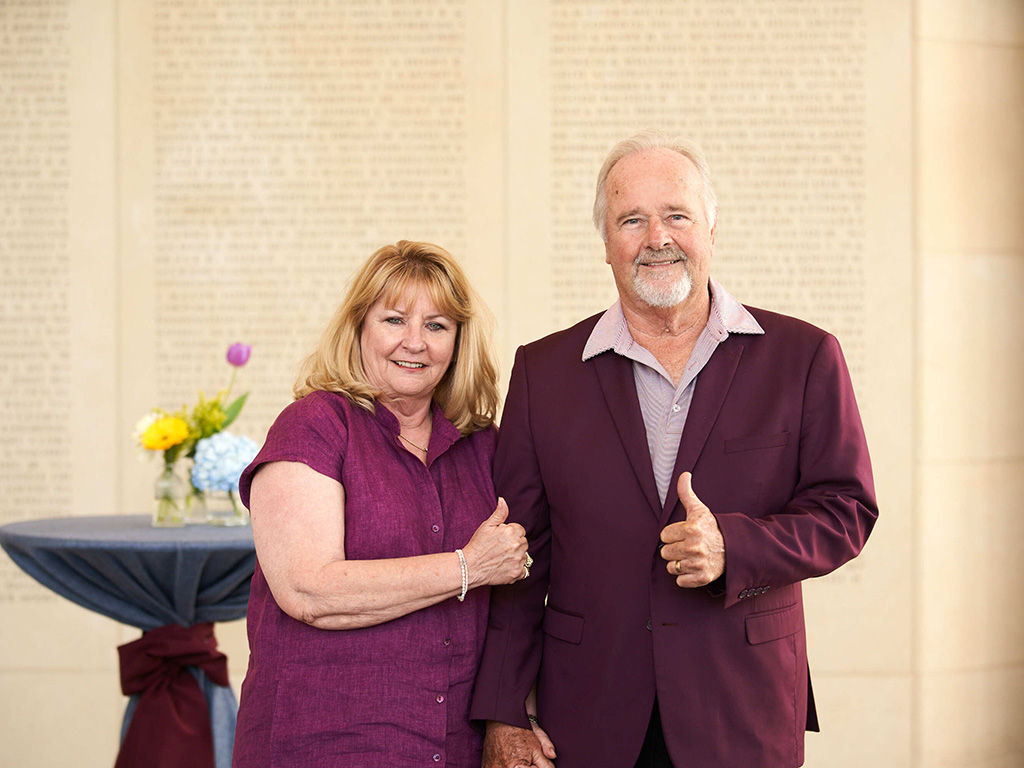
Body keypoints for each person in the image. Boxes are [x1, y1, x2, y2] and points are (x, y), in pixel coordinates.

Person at [470, 132, 878, 768]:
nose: (656, 237)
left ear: (711, 227)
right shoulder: (543, 372)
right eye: (632, 219)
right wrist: (500, 709)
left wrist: (734, 547)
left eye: (677, 215)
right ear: (606, 242)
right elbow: (519, 555)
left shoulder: (804, 357)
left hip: (742, 707)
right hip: (586, 715)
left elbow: (846, 510)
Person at [231, 241, 545, 767]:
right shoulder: (315, 425)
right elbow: (307, 589)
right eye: (395, 320)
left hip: (454, 748)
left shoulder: (484, 446)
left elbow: (520, 597)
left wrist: (515, 712)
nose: (415, 343)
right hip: (324, 744)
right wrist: (467, 568)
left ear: (458, 342)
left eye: (438, 325)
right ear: (359, 328)